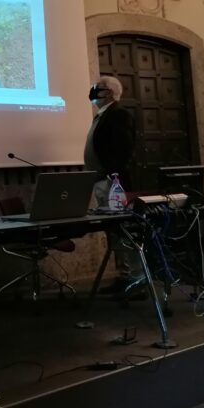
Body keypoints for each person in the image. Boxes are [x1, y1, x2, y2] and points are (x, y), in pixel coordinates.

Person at [83, 75, 144, 298]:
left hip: (114, 184)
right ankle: (125, 276)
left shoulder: (118, 114)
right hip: (103, 182)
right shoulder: (103, 115)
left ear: (108, 92)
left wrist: (112, 177)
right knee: (115, 233)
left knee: (125, 231)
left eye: (97, 88)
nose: (92, 91)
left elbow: (123, 151)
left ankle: (136, 280)